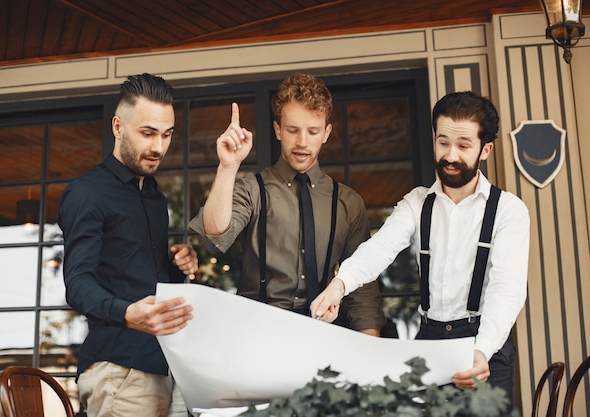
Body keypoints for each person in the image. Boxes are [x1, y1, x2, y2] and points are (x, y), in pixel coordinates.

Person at [311, 91, 529, 409]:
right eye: (443, 142)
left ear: (486, 149)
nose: (450, 155)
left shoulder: (509, 211)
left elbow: (506, 290)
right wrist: (339, 285)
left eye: (464, 145)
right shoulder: (417, 204)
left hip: (486, 349)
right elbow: (379, 248)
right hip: (430, 345)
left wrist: (481, 350)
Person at [189, 72, 383, 336]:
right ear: (278, 129)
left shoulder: (348, 202)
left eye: (313, 131)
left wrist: (369, 354)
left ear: (326, 133)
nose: (302, 142)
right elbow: (214, 235)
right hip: (256, 335)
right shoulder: (253, 189)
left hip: (323, 335)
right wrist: (228, 166)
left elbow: (363, 289)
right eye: (292, 130)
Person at [58, 73, 198, 417]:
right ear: (118, 127)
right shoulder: (87, 193)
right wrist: (126, 313)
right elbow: (77, 284)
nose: (159, 147)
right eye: (148, 133)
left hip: (163, 367)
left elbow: (145, 283)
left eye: (166, 135)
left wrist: (178, 266)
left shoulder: (153, 197)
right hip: (118, 371)